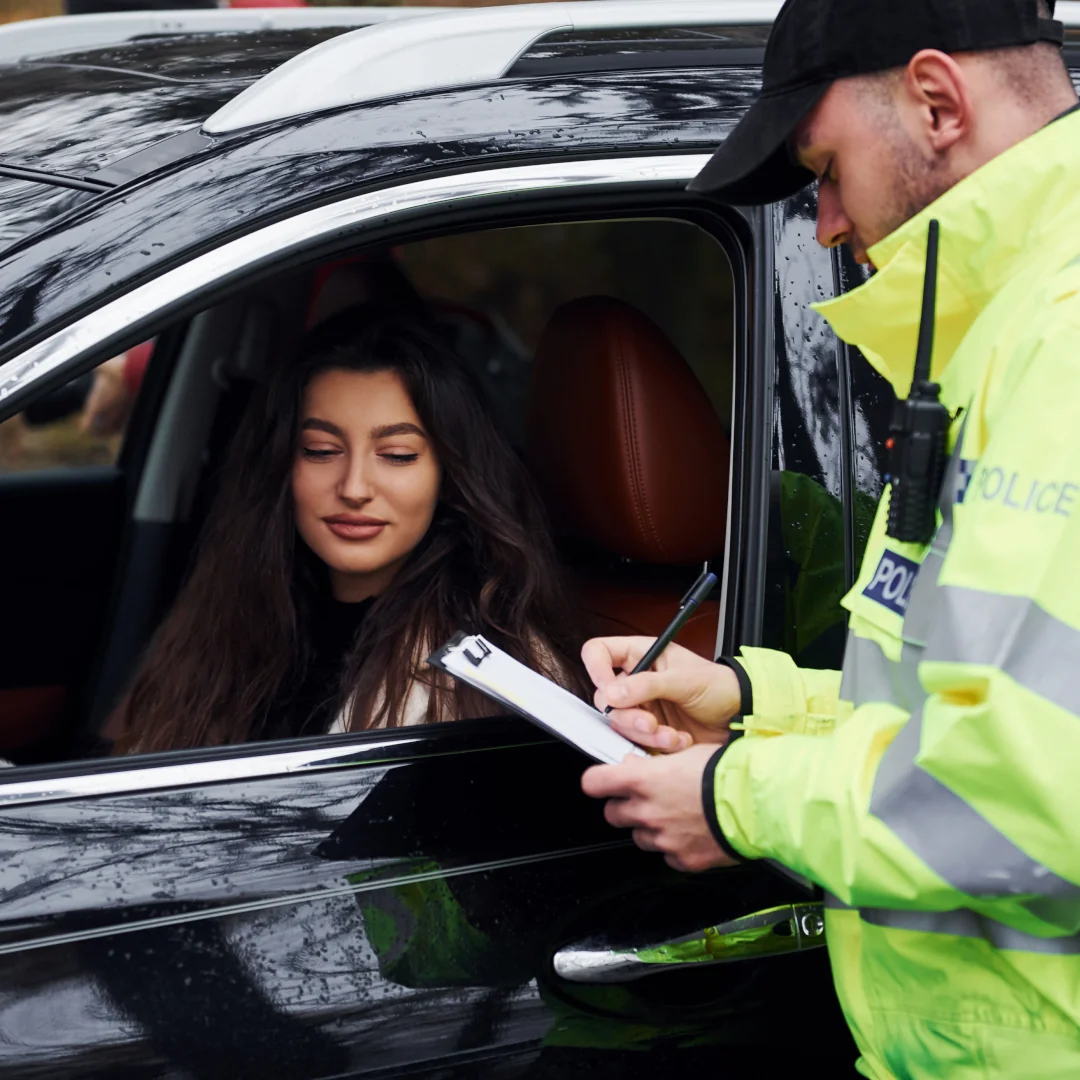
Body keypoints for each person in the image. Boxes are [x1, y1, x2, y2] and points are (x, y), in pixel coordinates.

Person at [579, 0, 1080, 1077]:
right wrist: (755, 705)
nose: (823, 226)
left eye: (824, 167)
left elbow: (1038, 791)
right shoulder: (1013, 329)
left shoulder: (1063, 340)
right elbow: (984, 695)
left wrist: (736, 798)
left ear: (938, 102)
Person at [110, 308, 585, 753]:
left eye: (397, 455)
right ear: (282, 467)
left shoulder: (497, 668)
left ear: (449, 477)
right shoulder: (232, 611)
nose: (355, 487)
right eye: (321, 450)